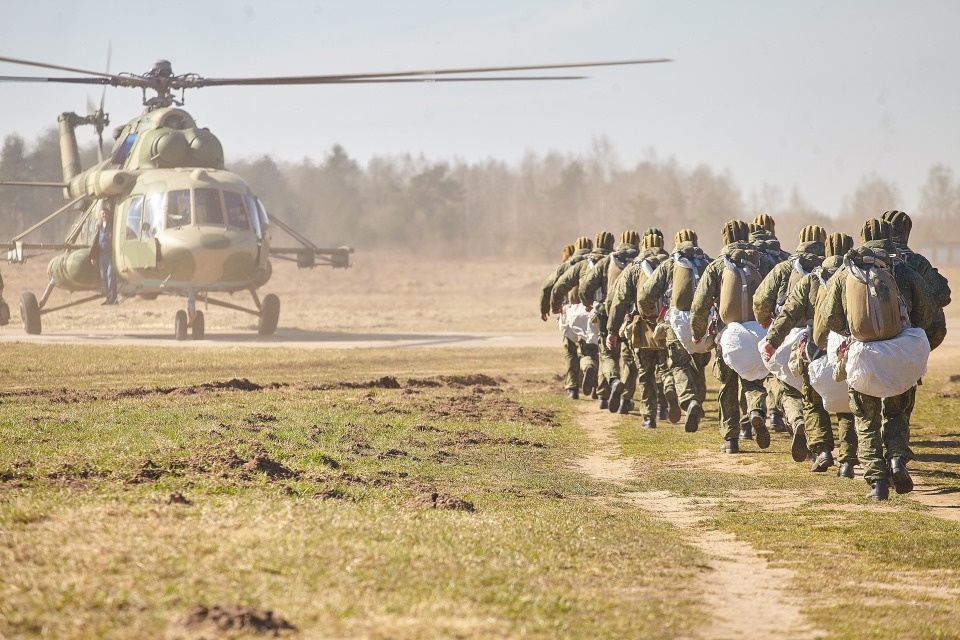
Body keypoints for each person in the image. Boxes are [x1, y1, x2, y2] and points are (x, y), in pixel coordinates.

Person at [817, 219, 935, 499]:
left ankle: (877, 482)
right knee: (896, 413)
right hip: (898, 354)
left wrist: (852, 329)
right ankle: (896, 459)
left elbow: (828, 315)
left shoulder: (847, 271)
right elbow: (926, 312)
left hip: (862, 356)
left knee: (865, 419)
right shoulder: (903, 269)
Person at [762, 232, 856, 474]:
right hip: (850, 352)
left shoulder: (812, 278)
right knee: (848, 406)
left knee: (813, 402)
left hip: (815, 351)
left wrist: (771, 342)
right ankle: (847, 461)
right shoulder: (857, 277)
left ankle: (823, 451)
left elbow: (788, 313)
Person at [690, 220, 772, 453]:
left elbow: (700, 305)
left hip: (728, 336)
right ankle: (755, 411)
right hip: (758, 332)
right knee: (753, 380)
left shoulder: (717, 266)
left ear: (725, 239)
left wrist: (697, 333)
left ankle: (731, 439)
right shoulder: (763, 262)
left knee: (727, 384)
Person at [753, 225, 826, 454]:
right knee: (818, 394)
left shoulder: (785, 268)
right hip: (822, 339)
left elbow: (761, 299)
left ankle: (796, 421)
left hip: (789, 338)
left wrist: (766, 323)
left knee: (785, 387)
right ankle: (834, 452)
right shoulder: (834, 268)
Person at [637, 229, 713, 432]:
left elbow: (646, 295)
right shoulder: (709, 263)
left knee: (679, 365)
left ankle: (689, 401)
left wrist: (648, 314)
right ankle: (698, 404)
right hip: (703, 324)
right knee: (698, 366)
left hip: (676, 324)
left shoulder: (670, 264)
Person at [579, 230, 642, 411]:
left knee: (608, 354)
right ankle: (625, 400)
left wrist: (589, 304)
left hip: (607, 313)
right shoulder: (640, 261)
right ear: (637, 243)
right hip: (633, 317)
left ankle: (610, 385)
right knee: (630, 359)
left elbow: (585, 287)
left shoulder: (610, 260)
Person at [539, 236, 595, 399]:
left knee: (570, 351)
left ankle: (573, 389)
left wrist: (546, 308)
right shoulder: (595, 264)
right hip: (590, 312)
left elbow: (546, 287)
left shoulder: (567, 265)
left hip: (569, 312)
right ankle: (597, 385)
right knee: (590, 351)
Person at [89, 200, 118, 305]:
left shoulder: (112, 225)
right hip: (101, 254)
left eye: (105, 213)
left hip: (110, 253)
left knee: (110, 275)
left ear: (109, 214)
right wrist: (93, 256)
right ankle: (108, 298)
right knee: (103, 277)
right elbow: (95, 242)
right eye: (102, 214)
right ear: (100, 216)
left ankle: (113, 298)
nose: (104, 215)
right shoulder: (99, 227)